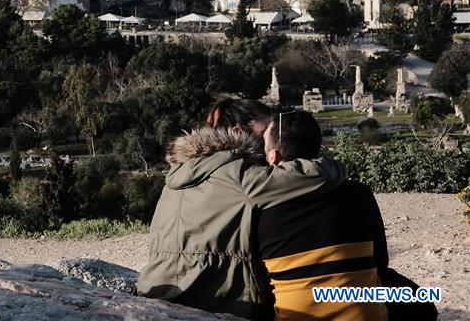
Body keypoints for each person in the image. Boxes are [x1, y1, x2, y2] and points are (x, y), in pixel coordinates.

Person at [137, 97, 345, 319]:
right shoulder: (240, 176)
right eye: (266, 130)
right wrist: (336, 166)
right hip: (205, 302)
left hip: (158, 293)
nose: (271, 137)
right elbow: (315, 175)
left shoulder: (183, 172)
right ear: (238, 131)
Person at [257, 111, 436, 321]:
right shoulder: (358, 194)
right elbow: (379, 262)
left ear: (273, 157)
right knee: (420, 304)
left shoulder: (261, 207)